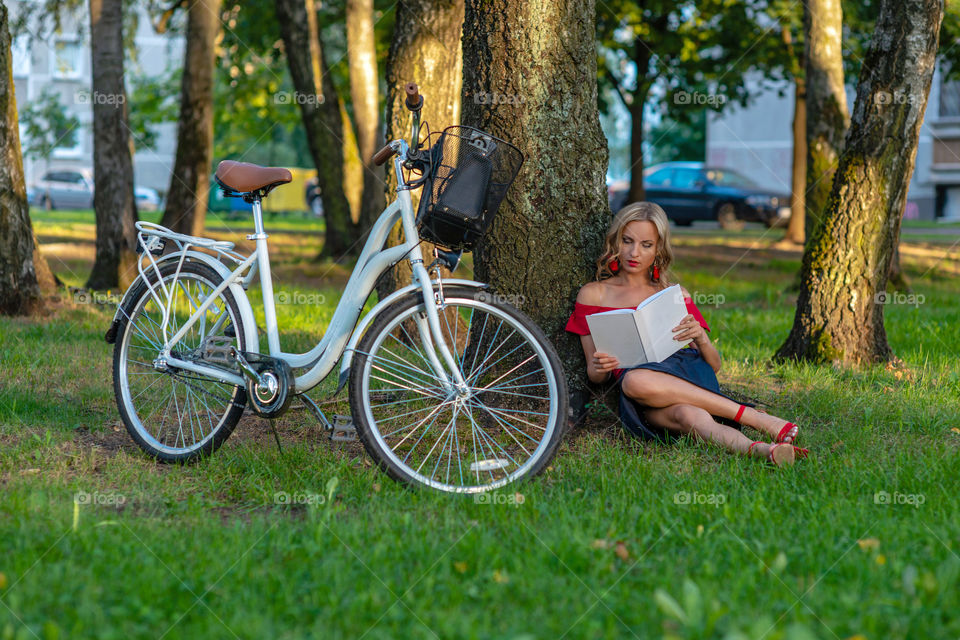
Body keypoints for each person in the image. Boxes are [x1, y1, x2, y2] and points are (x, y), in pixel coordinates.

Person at [565, 202, 807, 466]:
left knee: (640, 383)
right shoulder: (594, 294)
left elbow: (713, 365)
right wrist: (602, 365)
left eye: (646, 244)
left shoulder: (673, 295)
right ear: (616, 242)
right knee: (686, 415)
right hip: (641, 393)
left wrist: (701, 339)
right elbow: (595, 374)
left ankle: (756, 420)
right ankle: (765, 451)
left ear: (658, 249)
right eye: (627, 241)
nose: (634, 252)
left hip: (686, 373)